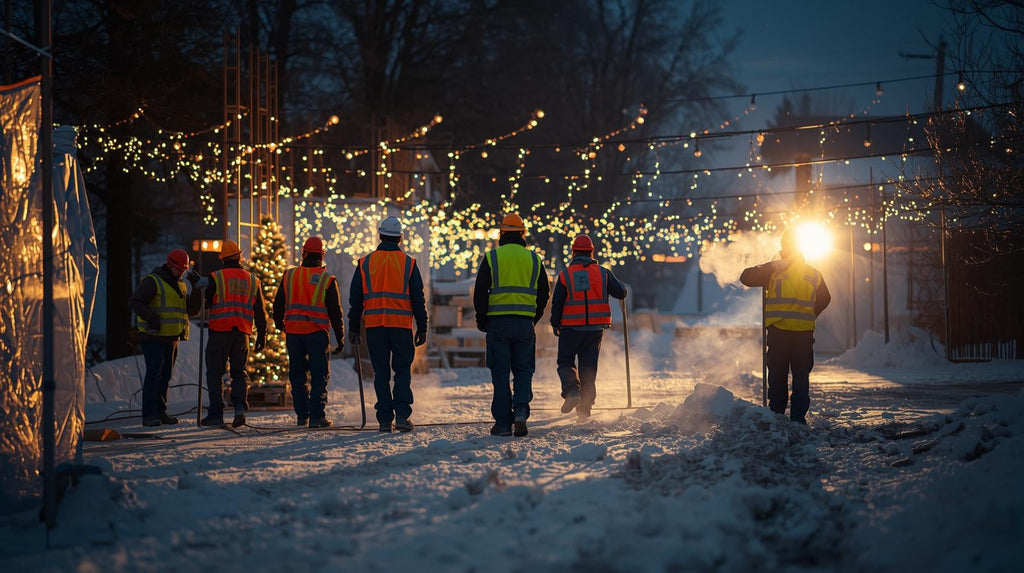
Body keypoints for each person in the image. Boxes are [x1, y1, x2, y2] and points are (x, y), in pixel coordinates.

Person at [740, 228, 831, 424]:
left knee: (777, 375)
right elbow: (825, 298)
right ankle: (798, 418)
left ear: (783, 247)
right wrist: (808, 314)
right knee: (800, 377)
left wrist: (771, 266)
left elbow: (745, 277)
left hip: (779, 332)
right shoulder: (813, 273)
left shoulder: (773, 271)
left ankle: (777, 415)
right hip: (803, 335)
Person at [348, 216, 428, 433]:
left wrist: (354, 327)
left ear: (380, 235)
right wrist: (422, 326)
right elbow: (417, 299)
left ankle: (384, 420)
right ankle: (402, 416)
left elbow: (356, 298)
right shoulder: (409, 264)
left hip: (374, 328)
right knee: (402, 372)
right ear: (400, 238)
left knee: (381, 373)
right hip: (401, 327)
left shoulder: (365, 263)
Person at [474, 213, 550, 437]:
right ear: (523, 234)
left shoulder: (492, 258)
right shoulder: (535, 259)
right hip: (524, 324)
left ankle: (503, 424)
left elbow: (480, 292)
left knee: (500, 373)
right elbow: (545, 293)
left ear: (502, 233)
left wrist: (482, 319)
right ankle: (520, 411)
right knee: (523, 370)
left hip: (498, 324)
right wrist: (532, 317)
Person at [549, 234, 627, 421]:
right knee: (588, 368)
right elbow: (621, 292)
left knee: (566, 362)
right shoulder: (603, 273)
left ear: (574, 252)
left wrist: (555, 323)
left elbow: (557, 303)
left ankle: (572, 391)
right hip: (594, 329)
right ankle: (584, 410)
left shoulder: (565, 275)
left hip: (570, 329)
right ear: (592, 252)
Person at [273, 237, 345, 428]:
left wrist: (282, 326)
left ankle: (302, 415)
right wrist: (340, 337)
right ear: (322, 256)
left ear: (304, 253)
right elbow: (335, 312)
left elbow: (278, 304)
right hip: (316, 334)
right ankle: (316, 416)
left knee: (297, 374)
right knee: (319, 374)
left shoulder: (289, 275)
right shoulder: (327, 279)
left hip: (294, 334)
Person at [195, 240, 268, 428]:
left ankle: (216, 414)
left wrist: (198, 287)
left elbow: (204, 304)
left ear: (223, 259)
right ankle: (239, 410)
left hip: (220, 332)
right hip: (242, 334)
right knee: (239, 373)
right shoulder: (252, 280)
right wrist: (262, 333)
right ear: (239, 256)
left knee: (214, 373)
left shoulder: (215, 278)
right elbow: (260, 309)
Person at [128, 249, 202, 427]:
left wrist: (198, 290)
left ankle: (160, 412)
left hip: (172, 338)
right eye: (180, 269)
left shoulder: (181, 285)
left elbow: (191, 311)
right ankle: (149, 415)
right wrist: (152, 319)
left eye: (184, 270)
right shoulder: (152, 281)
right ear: (169, 265)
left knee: (165, 376)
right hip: (153, 337)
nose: (182, 272)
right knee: (154, 375)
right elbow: (135, 302)